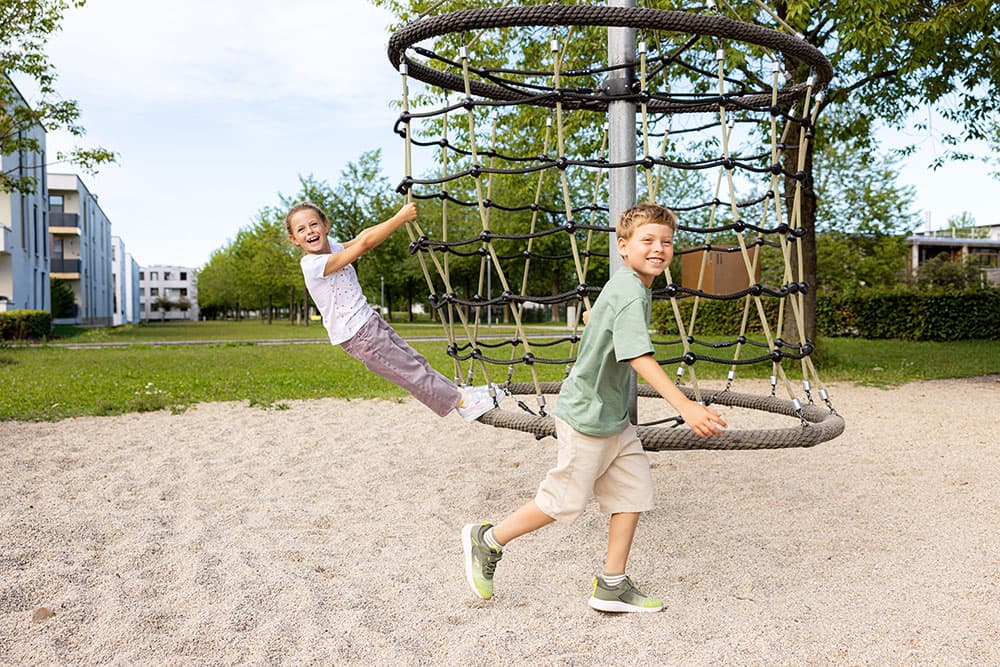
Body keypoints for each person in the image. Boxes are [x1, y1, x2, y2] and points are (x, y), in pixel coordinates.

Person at [462, 202, 727, 612]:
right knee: (562, 501)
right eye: (648, 241)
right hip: (588, 417)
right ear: (623, 246)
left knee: (632, 493)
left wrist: (595, 317)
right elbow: (639, 357)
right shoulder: (629, 291)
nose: (659, 248)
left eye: (667, 242)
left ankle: (612, 584)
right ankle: (488, 539)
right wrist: (686, 407)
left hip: (612, 418)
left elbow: (604, 317)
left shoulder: (628, 285)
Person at [285, 200, 504, 421]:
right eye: (301, 230)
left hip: (369, 321)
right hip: (357, 335)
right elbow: (364, 245)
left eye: (313, 224)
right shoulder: (313, 265)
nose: (309, 232)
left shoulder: (332, 247)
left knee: (416, 361)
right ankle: (463, 404)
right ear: (294, 239)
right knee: (409, 372)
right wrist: (400, 218)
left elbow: (362, 237)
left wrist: (396, 216)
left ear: (325, 226)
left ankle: (460, 394)